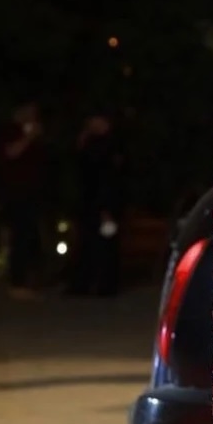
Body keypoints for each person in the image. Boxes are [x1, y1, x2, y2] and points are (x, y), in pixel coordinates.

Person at [67, 113, 126, 296]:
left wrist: (107, 207)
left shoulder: (108, 146)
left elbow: (107, 179)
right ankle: (85, 283)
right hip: (90, 203)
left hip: (103, 203)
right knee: (88, 242)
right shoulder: (90, 143)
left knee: (105, 244)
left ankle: (105, 285)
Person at [0, 100, 48, 299]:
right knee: (20, 236)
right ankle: (16, 282)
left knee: (32, 236)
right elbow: (11, 152)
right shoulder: (11, 131)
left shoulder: (36, 134)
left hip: (33, 192)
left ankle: (30, 280)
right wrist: (29, 137)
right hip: (16, 192)